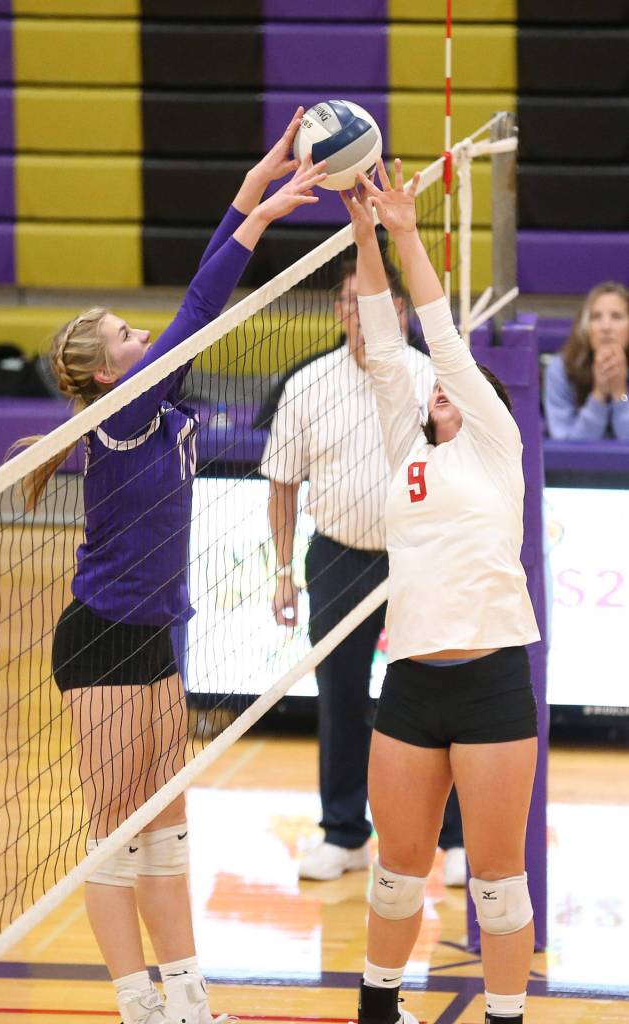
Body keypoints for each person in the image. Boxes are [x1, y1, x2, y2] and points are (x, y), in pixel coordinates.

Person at [14, 114, 326, 1024]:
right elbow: (202, 302)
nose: (140, 334)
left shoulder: (164, 403)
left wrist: (256, 178)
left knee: (166, 830)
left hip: (154, 637)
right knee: (112, 836)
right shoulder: (123, 414)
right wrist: (260, 217)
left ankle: (186, 999)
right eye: (123, 335)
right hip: (103, 638)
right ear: (107, 375)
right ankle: (135, 1004)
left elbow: (193, 310)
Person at [340, 160, 540, 1024]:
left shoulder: (495, 443)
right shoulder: (407, 449)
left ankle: (504, 1016)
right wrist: (361, 232)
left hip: (491, 678)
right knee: (396, 867)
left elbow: (435, 337)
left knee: (496, 882)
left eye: (449, 388)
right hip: (413, 681)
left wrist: (406, 230)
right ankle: (377, 1009)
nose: (435, 390)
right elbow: (386, 344)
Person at [260, 258, 466, 886]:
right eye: (350, 301)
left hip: (418, 556)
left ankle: (453, 839)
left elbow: (461, 470)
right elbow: (282, 482)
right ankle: (345, 834)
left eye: (372, 301)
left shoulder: (431, 377)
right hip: (339, 556)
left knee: (440, 696)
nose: (360, 312)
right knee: (342, 698)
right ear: (337, 311)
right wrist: (282, 572)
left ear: (398, 313)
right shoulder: (308, 384)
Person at [544, 282, 629, 440]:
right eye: (596, 317)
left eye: (616, 316)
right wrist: (599, 395)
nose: (606, 327)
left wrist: (620, 393)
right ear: (585, 327)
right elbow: (565, 444)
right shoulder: (560, 368)